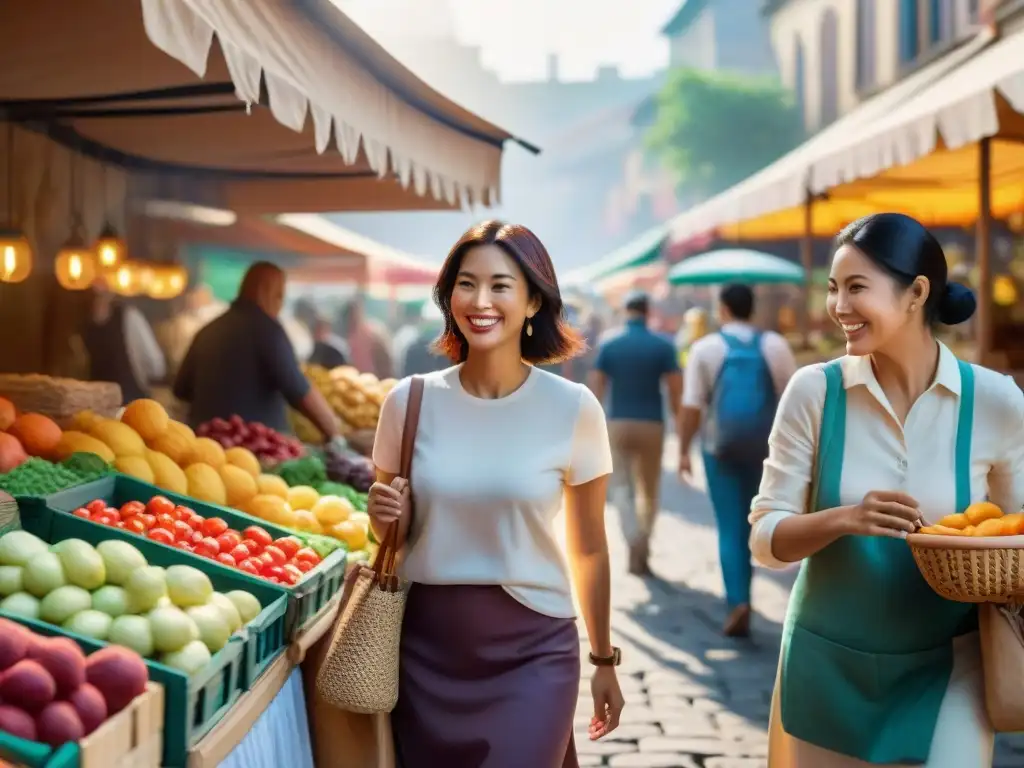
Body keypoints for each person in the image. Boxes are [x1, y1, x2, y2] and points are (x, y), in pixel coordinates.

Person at [753, 213, 1024, 767]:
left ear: (916, 293)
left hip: (952, 666)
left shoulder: (995, 400)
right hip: (826, 667)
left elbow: (1021, 531)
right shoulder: (815, 393)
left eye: (856, 287)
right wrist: (844, 518)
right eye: (833, 288)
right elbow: (765, 539)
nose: (838, 306)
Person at [367, 220, 624, 768]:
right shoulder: (407, 403)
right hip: (423, 650)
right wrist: (383, 514)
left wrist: (604, 660)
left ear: (533, 301)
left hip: (534, 651)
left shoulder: (574, 408)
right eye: (466, 283)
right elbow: (389, 535)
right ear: (448, 294)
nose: (480, 300)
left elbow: (589, 548)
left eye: (500, 285)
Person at [678, 284, 796, 636]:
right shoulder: (775, 345)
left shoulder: (705, 349)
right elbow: (793, 401)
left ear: (723, 309)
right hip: (766, 451)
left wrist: (683, 449)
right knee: (758, 521)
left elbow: (692, 405)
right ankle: (752, 587)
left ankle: (738, 599)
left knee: (730, 526)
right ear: (752, 310)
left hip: (720, 450)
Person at [173, 262, 340, 444]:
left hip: (203, 447)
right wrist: (335, 434)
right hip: (253, 453)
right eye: (279, 296)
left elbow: (180, 390)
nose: (280, 304)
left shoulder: (208, 331)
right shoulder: (268, 331)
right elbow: (298, 389)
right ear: (263, 291)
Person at [588, 291, 682, 576]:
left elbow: (596, 387)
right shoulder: (663, 345)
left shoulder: (609, 343)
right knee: (649, 490)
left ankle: (631, 537)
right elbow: (676, 389)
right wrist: (680, 426)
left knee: (621, 487)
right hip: (652, 424)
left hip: (618, 423)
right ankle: (643, 539)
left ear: (626, 311)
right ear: (647, 311)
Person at [76, 279, 166, 404]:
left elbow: (155, 365)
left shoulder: (129, 317)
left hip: (131, 399)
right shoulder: (84, 323)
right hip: (98, 400)